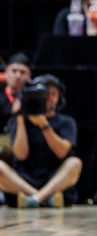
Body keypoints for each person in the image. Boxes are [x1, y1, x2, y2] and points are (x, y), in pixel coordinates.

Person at [0, 75, 81, 208]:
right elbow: (21, 155)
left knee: (75, 163)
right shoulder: (19, 121)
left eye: (53, 94)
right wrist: (20, 118)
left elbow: (62, 153)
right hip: (24, 180)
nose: (49, 98)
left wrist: (44, 125)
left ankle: (35, 199)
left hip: (54, 180)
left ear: (59, 97)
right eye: (45, 94)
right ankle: (41, 197)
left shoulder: (67, 121)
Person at [0, 54, 32, 162]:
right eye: (14, 71)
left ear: (29, 76)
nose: (18, 75)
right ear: (6, 73)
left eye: (22, 72)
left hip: (28, 139)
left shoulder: (35, 98)